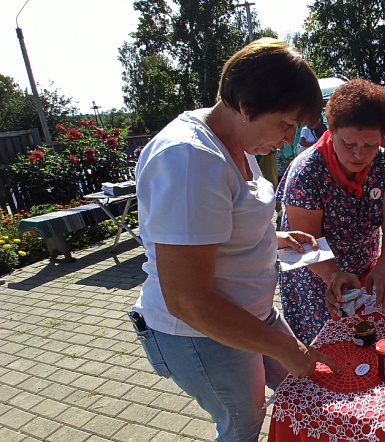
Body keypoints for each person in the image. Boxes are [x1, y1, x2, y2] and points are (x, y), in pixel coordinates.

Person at [129, 38, 339, 442]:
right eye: (287, 123)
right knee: (243, 425)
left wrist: (275, 238)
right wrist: (285, 349)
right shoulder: (190, 159)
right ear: (246, 104)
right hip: (201, 333)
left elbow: (219, 228)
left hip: (247, 316)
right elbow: (188, 299)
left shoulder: (239, 144)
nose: (291, 138)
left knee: (309, 388)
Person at [276, 78, 385, 344]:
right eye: (349, 144)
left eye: (370, 145)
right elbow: (306, 241)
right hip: (316, 276)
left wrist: (384, 264)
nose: (359, 154)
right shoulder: (307, 172)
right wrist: (334, 275)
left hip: (365, 269)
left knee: (367, 344)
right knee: (326, 350)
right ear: (331, 131)